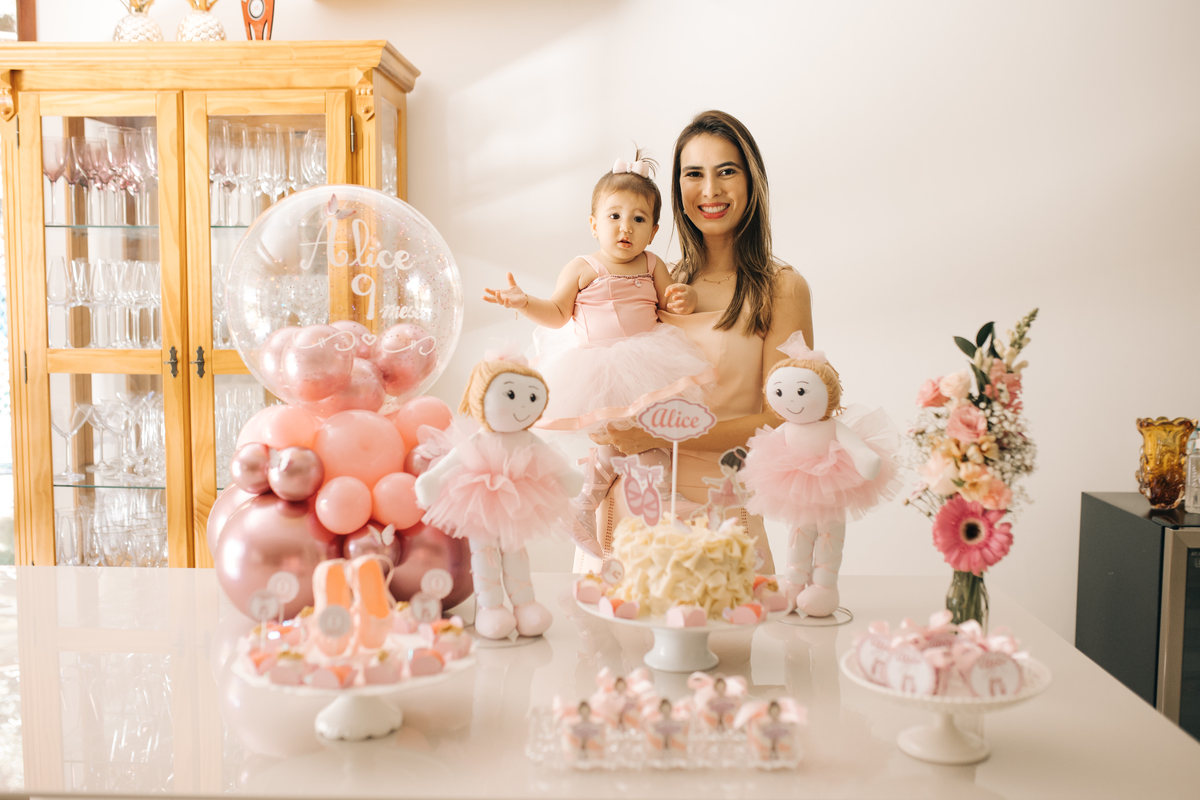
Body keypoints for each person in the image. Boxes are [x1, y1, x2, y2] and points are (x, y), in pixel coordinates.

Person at [584, 111, 814, 574]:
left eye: (726, 171)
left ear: (752, 181)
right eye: (693, 174)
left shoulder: (781, 287)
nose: (709, 190)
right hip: (625, 510)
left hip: (719, 514)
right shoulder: (656, 280)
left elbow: (783, 420)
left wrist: (656, 433)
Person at [482, 152, 715, 555]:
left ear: (653, 231)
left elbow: (671, 304)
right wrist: (525, 302)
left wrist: (686, 298)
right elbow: (557, 314)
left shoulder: (653, 263)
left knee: (647, 435)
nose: (626, 227)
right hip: (600, 366)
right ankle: (631, 500)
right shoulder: (582, 267)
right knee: (623, 436)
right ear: (594, 224)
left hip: (647, 360)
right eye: (614, 216)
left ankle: (602, 502)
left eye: (638, 219)